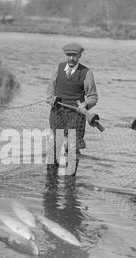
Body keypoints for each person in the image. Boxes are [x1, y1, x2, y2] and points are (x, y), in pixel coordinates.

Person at [46, 42, 99, 175]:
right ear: (65, 55)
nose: (71, 58)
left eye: (74, 56)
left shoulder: (86, 73)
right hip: (57, 113)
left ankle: (70, 181)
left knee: (72, 148)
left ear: (79, 56)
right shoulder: (58, 68)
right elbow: (50, 89)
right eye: (69, 55)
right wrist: (50, 98)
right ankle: (51, 179)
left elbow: (93, 96)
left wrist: (85, 105)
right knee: (55, 147)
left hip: (76, 115)